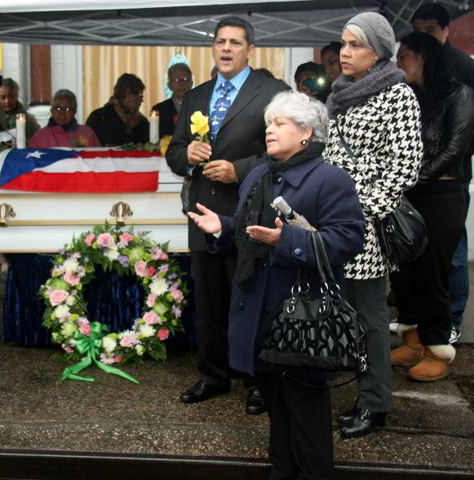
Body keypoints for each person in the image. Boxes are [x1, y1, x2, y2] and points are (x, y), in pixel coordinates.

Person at [189, 91, 365, 480]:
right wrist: (224, 227)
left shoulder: (330, 179)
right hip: (258, 314)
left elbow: (349, 241)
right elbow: (250, 231)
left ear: (306, 133)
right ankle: (282, 472)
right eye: (268, 123)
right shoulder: (258, 175)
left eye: (280, 124)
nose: (269, 130)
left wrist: (285, 242)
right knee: (276, 410)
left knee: (306, 414)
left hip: (302, 323)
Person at [165, 16, 288, 413]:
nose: (227, 49)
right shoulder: (197, 96)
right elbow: (173, 152)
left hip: (248, 213)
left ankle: (256, 380)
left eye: (235, 42)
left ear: (250, 49)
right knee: (209, 302)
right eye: (220, 42)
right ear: (213, 48)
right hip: (202, 214)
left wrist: (241, 169)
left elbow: (285, 152)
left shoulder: (271, 92)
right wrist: (187, 157)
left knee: (250, 298)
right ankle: (212, 376)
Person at [324, 12, 423, 438]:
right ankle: (353, 389)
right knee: (338, 313)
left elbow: (405, 169)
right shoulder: (341, 94)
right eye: (343, 43)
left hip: (363, 228)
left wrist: (358, 208)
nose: (345, 53)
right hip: (329, 224)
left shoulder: (397, 96)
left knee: (369, 318)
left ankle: (375, 402)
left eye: (355, 46)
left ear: (378, 52)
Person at [391, 32, 474, 380]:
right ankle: (411, 341)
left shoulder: (460, 94)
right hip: (410, 194)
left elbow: (455, 149)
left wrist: (411, 177)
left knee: (433, 271)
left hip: (443, 194)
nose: (399, 63)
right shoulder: (408, 97)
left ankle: (436, 347)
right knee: (403, 268)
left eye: (405, 55)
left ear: (423, 57)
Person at [411, 2, 474, 343]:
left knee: (452, 252)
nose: (425, 38)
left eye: (430, 31)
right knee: (423, 255)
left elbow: (463, 136)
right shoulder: (412, 67)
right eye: (418, 31)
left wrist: (429, 171)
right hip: (422, 178)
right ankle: (421, 323)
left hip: (452, 176)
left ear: (447, 30)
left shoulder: (462, 68)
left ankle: (452, 318)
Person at [86, 73, 149, 146]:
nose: (142, 100)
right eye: (140, 94)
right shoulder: (99, 118)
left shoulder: (141, 122)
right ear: (128, 93)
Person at [28, 89, 101, 148]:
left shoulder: (87, 133)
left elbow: (98, 160)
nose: (62, 112)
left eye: (67, 109)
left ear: (74, 111)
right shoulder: (39, 138)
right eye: (58, 108)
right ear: (52, 111)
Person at [152, 63, 193, 138]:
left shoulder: (200, 107)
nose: (181, 83)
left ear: (191, 84)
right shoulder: (159, 110)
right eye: (177, 80)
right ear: (169, 85)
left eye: (185, 79)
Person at [0, 77, 39, 142]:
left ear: (16, 96)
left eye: (11, 96)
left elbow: (39, 142)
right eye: (3, 97)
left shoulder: (29, 120)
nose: (7, 101)